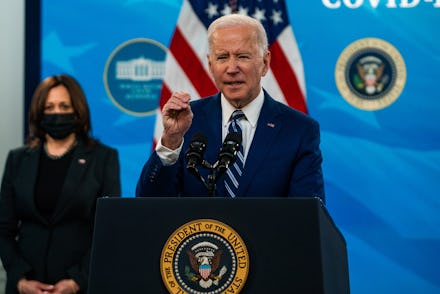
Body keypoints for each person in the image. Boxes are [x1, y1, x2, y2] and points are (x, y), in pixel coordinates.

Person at [136, 14, 325, 201]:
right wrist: (171, 141)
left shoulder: (298, 130)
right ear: (210, 65)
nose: (232, 68)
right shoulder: (187, 122)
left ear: (265, 63)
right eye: (222, 57)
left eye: (242, 56)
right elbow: (149, 203)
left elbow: (307, 217)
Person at [0, 74, 121, 294]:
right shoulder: (17, 159)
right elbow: (3, 229)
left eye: (64, 106)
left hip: (80, 285)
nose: (57, 113)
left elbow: (108, 230)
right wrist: (20, 279)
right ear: (39, 112)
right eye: (49, 107)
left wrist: (77, 281)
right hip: (25, 286)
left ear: (78, 110)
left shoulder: (103, 159)